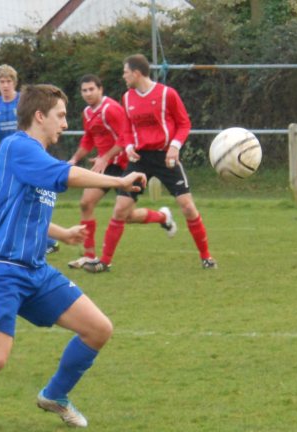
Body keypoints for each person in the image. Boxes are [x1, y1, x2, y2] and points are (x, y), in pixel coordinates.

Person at [0, 84, 147, 432]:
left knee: (98, 328)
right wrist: (119, 180)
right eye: (60, 116)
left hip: (35, 271)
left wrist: (60, 234)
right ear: (39, 116)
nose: (65, 124)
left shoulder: (36, 157)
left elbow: (22, 211)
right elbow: (67, 177)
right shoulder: (17, 146)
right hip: (0, 270)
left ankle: (54, 395)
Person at [82, 54, 217, 273]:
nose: (123, 76)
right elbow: (126, 129)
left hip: (165, 158)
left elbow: (184, 123)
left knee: (187, 207)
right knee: (120, 210)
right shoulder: (127, 98)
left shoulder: (167, 94)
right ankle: (104, 262)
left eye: (125, 72)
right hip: (140, 160)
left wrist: (174, 146)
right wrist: (128, 147)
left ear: (136, 73)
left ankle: (206, 257)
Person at [66, 74, 176, 269]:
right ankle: (89, 256)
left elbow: (125, 138)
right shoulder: (87, 112)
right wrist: (75, 159)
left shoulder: (112, 109)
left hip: (124, 164)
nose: (88, 93)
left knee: (126, 215)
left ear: (100, 89)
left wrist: (106, 156)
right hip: (106, 165)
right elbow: (88, 139)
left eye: (92, 89)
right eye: (84, 90)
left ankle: (162, 217)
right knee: (86, 203)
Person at [0, 64, 61, 254]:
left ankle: (45, 239)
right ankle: (46, 240)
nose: (6, 85)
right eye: (2, 81)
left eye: (9, 81)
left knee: (35, 199)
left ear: (14, 82)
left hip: (29, 158)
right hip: (8, 161)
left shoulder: (23, 102)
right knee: (1, 201)